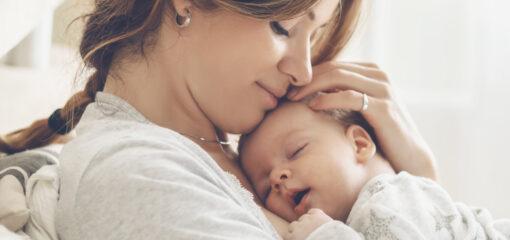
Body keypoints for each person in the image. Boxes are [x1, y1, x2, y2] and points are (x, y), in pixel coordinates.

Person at [0, 0, 436, 238]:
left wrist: (418, 177)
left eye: (315, 35)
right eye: (284, 27)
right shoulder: (139, 175)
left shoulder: (249, 152)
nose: (304, 70)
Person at [238, 98, 510, 240]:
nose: (278, 178)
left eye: (296, 151)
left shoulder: (386, 197)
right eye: (265, 188)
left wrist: (325, 235)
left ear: (360, 145)